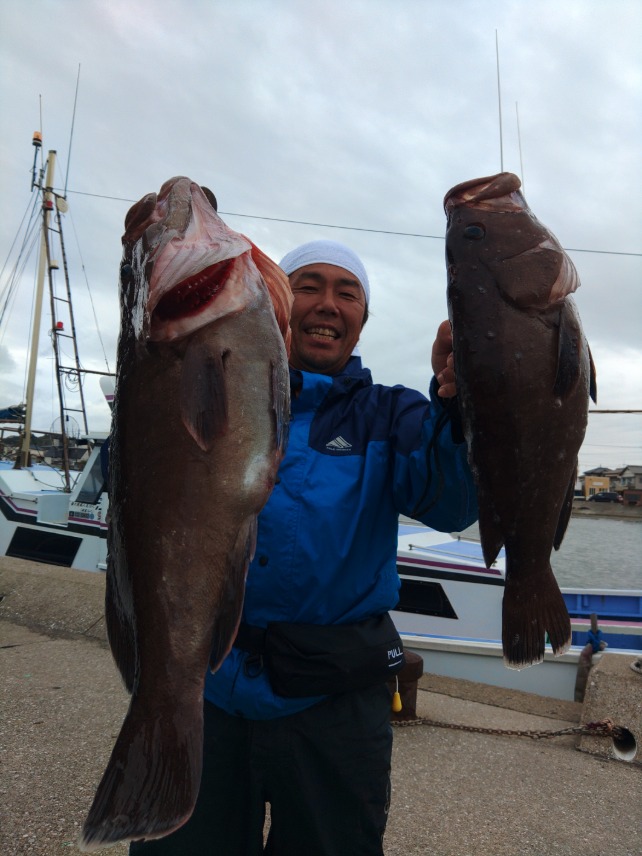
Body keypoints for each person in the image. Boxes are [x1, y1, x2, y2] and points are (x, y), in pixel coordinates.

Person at [130, 239, 478, 856]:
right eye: (308, 285)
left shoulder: (392, 414)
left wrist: (460, 411)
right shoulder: (213, 392)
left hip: (337, 705)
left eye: (348, 293)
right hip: (208, 690)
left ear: (362, 319)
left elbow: (454, 506)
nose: (327, 303)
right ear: (275, 304)